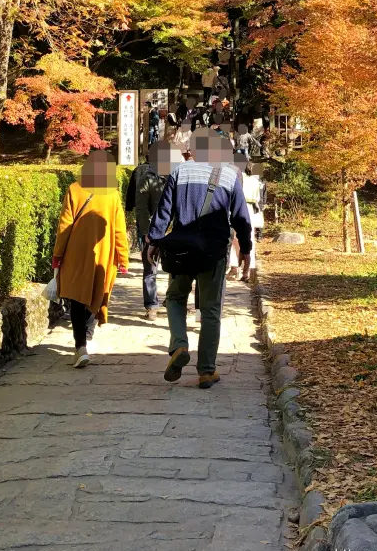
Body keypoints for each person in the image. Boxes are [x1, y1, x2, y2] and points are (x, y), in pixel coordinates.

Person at [147, 130, 252, 389]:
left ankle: (179, 345)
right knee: (211, 309)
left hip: (182, 250)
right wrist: (246, 251)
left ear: (192, 150)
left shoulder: (180, 172)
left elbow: (164, 212)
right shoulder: (229, 174)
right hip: (214, 252)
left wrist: (154, 241)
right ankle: (206, 371)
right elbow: (241, 218)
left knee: (175, 298)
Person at [53, 150, 129, 368]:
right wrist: (122, 258)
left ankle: (80, 346)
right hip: (102, 253)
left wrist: (58, 254)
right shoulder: (112, 194)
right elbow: (119, 231)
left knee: (77, 297)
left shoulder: (75, 189)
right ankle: (87, 335)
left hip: (76, 253)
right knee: (95, 295)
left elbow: (65, 226)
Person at [135, 141, 184, 319]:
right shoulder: (147, 177)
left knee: (176, 268)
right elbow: (141, 208)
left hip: (174, 230)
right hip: (153, 230)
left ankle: (171, 299)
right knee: (150, 268)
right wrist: (147, 233)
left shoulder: (178, 175)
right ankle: (151, 305)